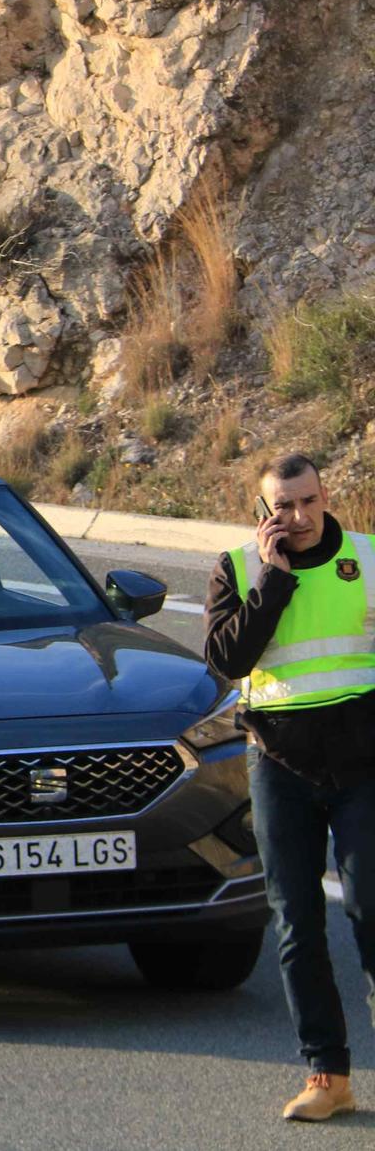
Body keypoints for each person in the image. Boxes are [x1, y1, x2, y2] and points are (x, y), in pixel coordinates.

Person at [205, 452, 375, 1122]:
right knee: (297, 920)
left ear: (326, 495)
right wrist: (274, 582)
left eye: (308, 501)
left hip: (364, 767)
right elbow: (228, 660)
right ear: (262, 512)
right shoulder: (239, 570)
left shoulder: (366, 559)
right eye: (283, 507)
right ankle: (327, 1075)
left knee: (370, 906)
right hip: (279, 766)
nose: (298, 518)